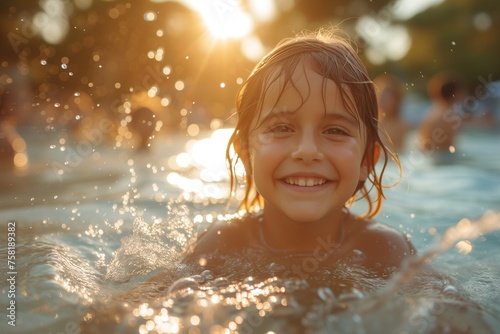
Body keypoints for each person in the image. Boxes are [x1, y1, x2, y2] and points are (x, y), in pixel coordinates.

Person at [182, 29, 416, 279]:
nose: (307, 151)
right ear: (245, 152)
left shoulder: (385, 251)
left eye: (335, 130)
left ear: (367, 160)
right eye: (281, 128)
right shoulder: (220, 246)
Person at [417, 73, 467, 153]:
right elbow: (450, 147)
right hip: (442, 157)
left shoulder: (431, 111)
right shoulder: (449, 117)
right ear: (456, 94)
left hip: (427, 155)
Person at [374, 74, 409, 153]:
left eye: (386, 96)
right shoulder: (373, 122)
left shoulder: (400, 125)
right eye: (380, 95)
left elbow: (398, 153)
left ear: (396, 99)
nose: (382, 99)